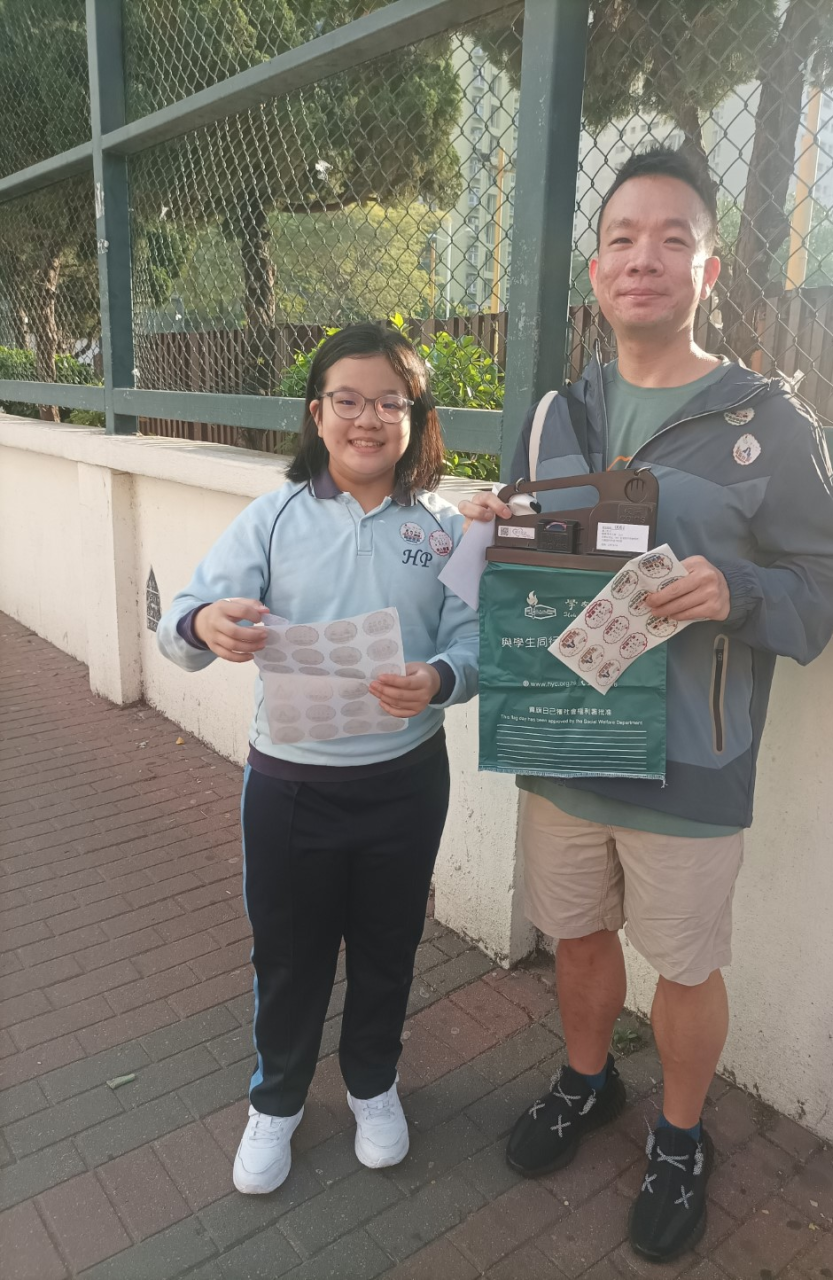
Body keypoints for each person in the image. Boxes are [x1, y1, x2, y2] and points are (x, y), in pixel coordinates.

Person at [459, 147, 833, 1263]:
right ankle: (586, 1081)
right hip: (563, 739)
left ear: (707, 267)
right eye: (623, 238)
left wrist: (737, 590)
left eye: (672, 238)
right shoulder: (555, 415)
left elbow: (831, 575)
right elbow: (527, 560)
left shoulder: (766, 423)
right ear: (595, 269)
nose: (644, 257)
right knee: (577, 934)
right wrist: (493, 524)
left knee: (684, 965)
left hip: (692, 756)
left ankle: (680, 1137)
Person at [157, 323, 478, 1194]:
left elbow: (473, 640)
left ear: (416, 417)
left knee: (388, 944)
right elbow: (178, 625)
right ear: (316, 413)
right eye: (347, 400)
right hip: (291, 787)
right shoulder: (272, 518)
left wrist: (441, 677)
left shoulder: (447, 528)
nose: (366, 419)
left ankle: (372, 1085)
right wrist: (205, 624)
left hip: (406, 782)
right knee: (290, 954)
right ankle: (277, 1100)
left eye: (388, 402)